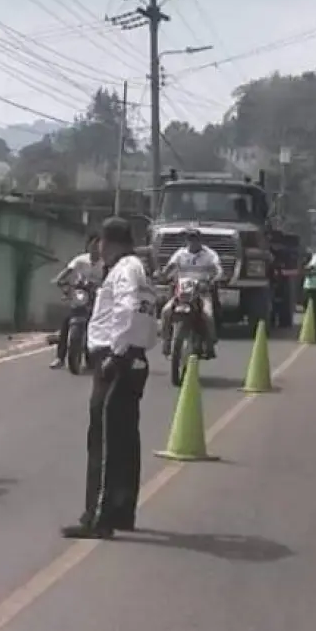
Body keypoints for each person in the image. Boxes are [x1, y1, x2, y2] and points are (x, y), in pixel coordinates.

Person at [61, 217, 157, 540]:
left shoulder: (126, 269)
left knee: (104, 440)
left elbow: (131, 310)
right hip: (128, 356)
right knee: (123, 438)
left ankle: (98, 518)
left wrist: (116, 354)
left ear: (108, 242)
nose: (97, 247)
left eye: (100, 241)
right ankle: (119, 510)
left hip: (118, 358)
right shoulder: (132, 267)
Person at [158, 227, 221, 359]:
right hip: (181, 293)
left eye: (195, 239)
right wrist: (163, 274)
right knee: (165, 312)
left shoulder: (210, 255)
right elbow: (170, 267)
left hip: (201, 292)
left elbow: (218, 269)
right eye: (189, 239)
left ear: (200, 240)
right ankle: (166, 343)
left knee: (208, 315)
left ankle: (210, 345)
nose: (192, 242)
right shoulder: (180, 254)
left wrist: (216, 278)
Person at [49, 234, 103, 370]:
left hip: (98, 297)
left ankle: (101, 356)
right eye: (93, 244)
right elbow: (67, 271)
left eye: (98, 245)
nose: (95, 248)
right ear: (88, 246)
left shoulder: (105, 263)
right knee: (66, 321)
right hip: (82, 294)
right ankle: (60, 358)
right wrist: (58, 280)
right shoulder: (80, 260)